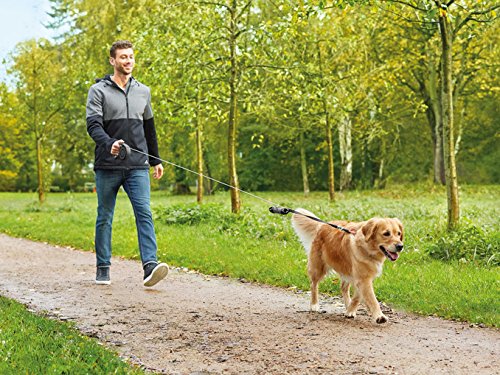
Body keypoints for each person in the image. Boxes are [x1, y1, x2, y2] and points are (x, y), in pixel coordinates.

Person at [86, 40, 168, 287]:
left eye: (131, 56)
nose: (128, 61)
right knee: (105, 216)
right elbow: (93, 126)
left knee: (144, 212)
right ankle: (103, 267)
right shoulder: (98, 90)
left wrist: (155, 160)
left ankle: (150, 267)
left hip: (137, 165)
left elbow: (149, 127)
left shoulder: (143, 91)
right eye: (123, 57)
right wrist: (108, 142)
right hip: (107, 165)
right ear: (113, 60)